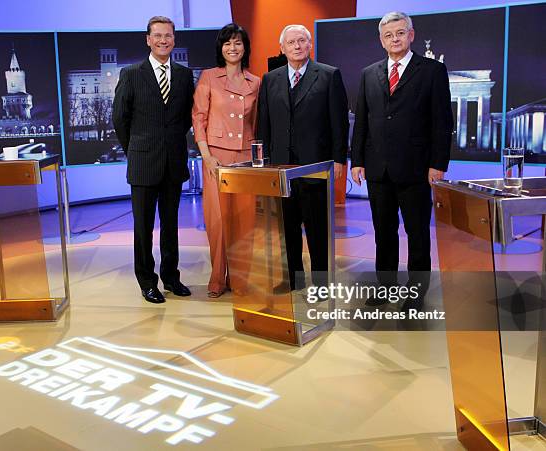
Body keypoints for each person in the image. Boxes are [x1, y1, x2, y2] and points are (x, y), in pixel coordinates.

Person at [350, 12, 453, 305]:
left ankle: (416, 293)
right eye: (388, 35)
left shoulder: (432, 70)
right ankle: (385, 286)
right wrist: (356, 160)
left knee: (417, 233)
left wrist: (438, 164)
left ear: (411, 35)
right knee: (384, 232)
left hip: (417, 169)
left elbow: (442, 121)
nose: (394, 39)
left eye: (399, 33)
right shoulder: (369, 73)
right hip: (377, 168)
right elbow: (362, 122)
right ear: (381, 41)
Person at [258, 24, 349, 290]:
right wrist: (263, 162)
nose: (297, 46)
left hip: (315, 166)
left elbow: (339, 123)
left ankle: (321, 284)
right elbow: (263, 124)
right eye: (291, 42)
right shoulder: (270, 79)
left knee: (317, 229)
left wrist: (339, 159)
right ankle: (292, 280)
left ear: (310, 45)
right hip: (280, 168)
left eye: (302, 41)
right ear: (282, 48)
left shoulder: (329, 75)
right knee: (287, 229)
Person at [112, 16, 195, 304]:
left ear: (174, 39)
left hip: (173, 161)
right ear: (148, 39)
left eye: (168, 36)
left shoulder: (184, 75)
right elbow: (120, 120)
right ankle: (147, 282)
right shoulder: (131, 73)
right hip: (143, 162)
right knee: (143, 228)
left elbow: (185, 118)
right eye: (157, 35)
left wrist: (169, 143)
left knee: (171, 225)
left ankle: (171, 277)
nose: (163, 40)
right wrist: (136, 149)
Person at [192, 23, 260, 298]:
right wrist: (206, 156)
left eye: (238, 43)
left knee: (244, 221)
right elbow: (198, 118)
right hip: (215, 157)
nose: (233, 48)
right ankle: (217, 278)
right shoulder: (209, 77)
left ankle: (241, 279)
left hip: (245, 158)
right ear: (221, 48)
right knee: (218, 220)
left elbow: (257, 123)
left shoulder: (256, 81)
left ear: (245, 48)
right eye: (228, 43)